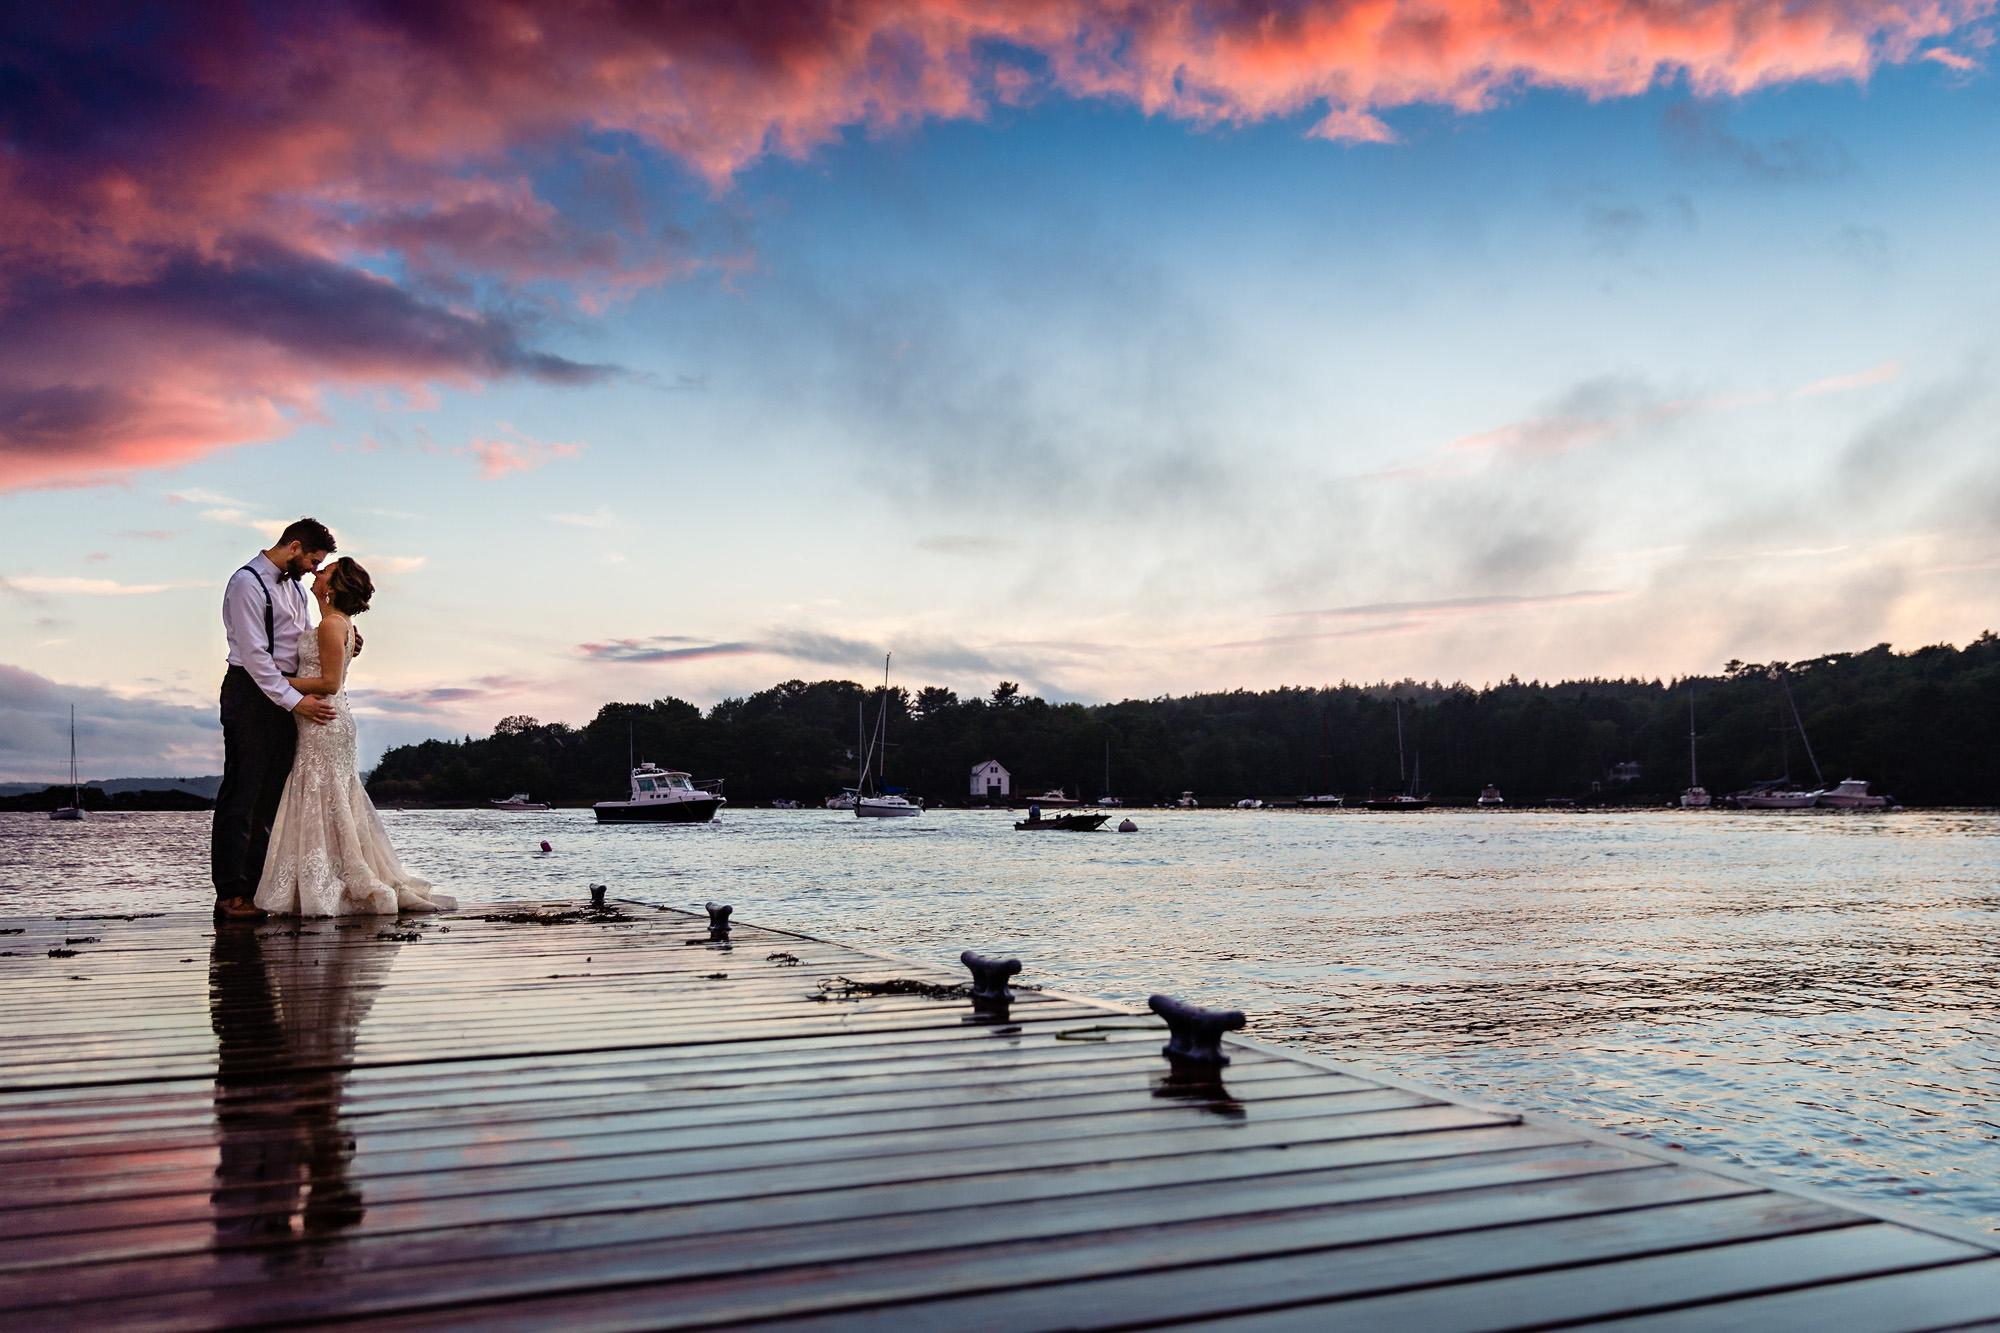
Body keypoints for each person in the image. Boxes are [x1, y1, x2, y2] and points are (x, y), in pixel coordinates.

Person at [254, 557, 453, 916]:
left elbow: (330, 683)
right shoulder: (334, 623)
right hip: (326, 719)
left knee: (321, 791)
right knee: (328, 795)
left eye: (324, 571)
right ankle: (324, 874)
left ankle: (332, 880)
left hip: (325, 720)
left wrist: (273, 681)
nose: (316, 574)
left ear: (332, 588)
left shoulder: (332, 624)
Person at [210, 519, 338, 921]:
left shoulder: (296, 589)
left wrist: (337, 637)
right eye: (313, 561)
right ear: (294, 546)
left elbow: (299, 638)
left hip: (288, 693)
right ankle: (230, 894)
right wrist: (294, 702)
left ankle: (257, 889)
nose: (314, 571)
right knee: (242, 795)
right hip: (250, 693)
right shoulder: (247, 584)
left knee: (271, 800)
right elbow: (255, 659)